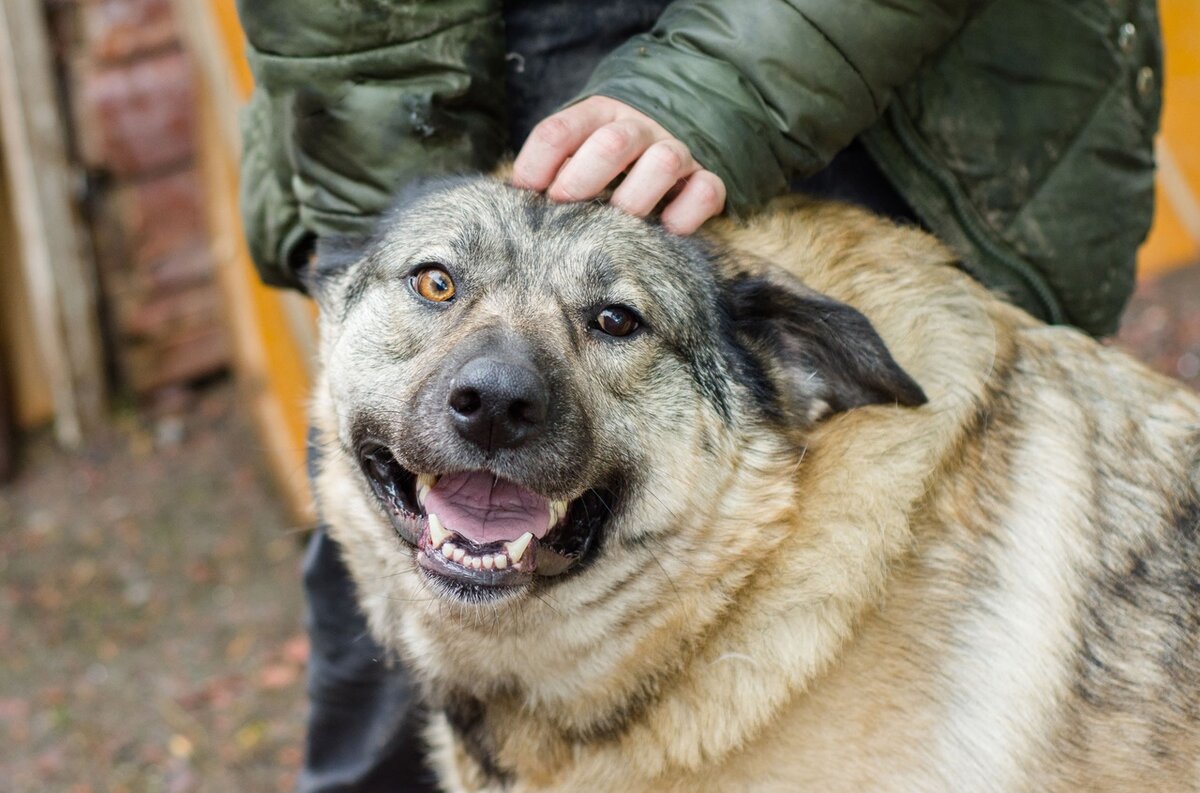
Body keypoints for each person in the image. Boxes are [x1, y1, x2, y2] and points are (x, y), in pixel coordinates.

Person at [235, 1, 1162, 789]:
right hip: (431, 95)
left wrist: (715, 92)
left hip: (862, 89)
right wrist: (381, 202)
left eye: (612, 322)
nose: (496, 382)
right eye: (438, 284)